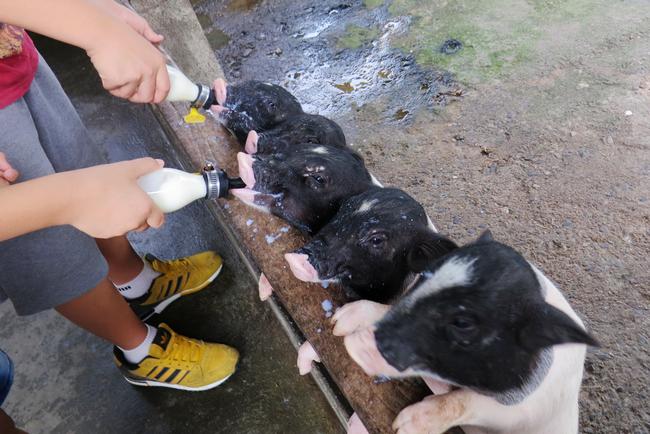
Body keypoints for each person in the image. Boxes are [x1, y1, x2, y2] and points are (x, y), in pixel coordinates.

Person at [0, 0, 239, 408]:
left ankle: (135, 281)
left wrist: (91, 12)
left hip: (15, 62)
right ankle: (139, 349)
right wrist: (96, 30)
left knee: (81, 164)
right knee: (50, 247)